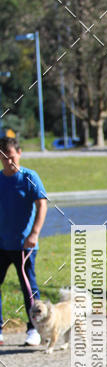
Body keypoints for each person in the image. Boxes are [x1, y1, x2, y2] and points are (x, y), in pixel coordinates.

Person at [0, 132, 48, 346]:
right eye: (3, 157)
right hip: (1, 244)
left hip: (24, 245)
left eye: (11, 156)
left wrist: (34, 233)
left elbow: (42, 205)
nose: (8, 161)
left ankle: (33, 330)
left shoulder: (30, 177)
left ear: (19, 153)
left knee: (28, 288)